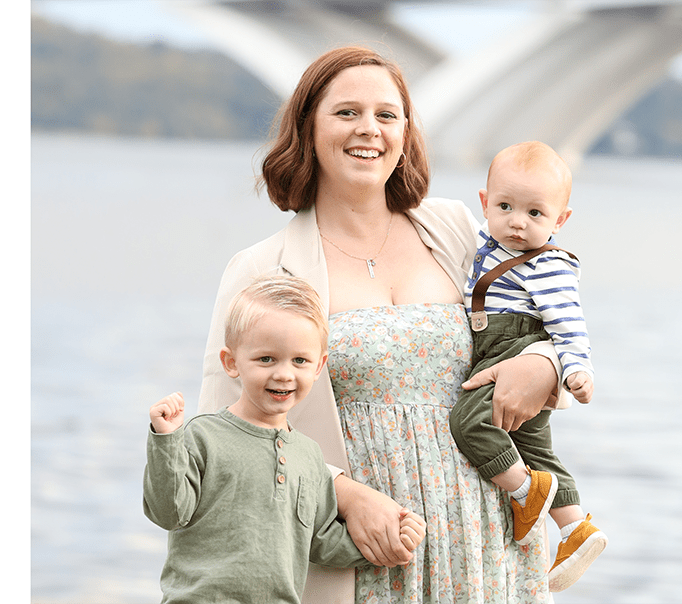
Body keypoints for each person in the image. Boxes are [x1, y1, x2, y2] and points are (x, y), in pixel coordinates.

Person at [197, 46, 572, 603]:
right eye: (346, 112)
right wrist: (345, 495)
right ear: (308, 128)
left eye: (386, 115)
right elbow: (222, 442)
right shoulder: (261, 269)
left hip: (490, 544)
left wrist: (545, 365)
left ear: (405, 133)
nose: (368, 129)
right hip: (365, 550)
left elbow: (547, 317)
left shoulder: (456, 230)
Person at [144, 275, 426, 603]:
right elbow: (168, 512)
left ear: (319, 366)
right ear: (231, 363)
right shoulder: (203, 435)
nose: (283, 373)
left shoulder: (309, 456)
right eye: (266, 359)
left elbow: (321, 540)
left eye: (299, 360)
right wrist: (166, 440)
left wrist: (393, 541)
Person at [449, 141, 607, 593]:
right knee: (535, 449)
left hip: (516, 348)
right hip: (499, 347)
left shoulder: (548, 267)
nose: (518, 222)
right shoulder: (484, 239)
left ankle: (524, 493)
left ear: (560, 220)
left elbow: (569, 324)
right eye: (505, 207)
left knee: (470, 421)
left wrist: (577, 370)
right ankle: (576, 529)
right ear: (485, 204)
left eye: (536, 214)